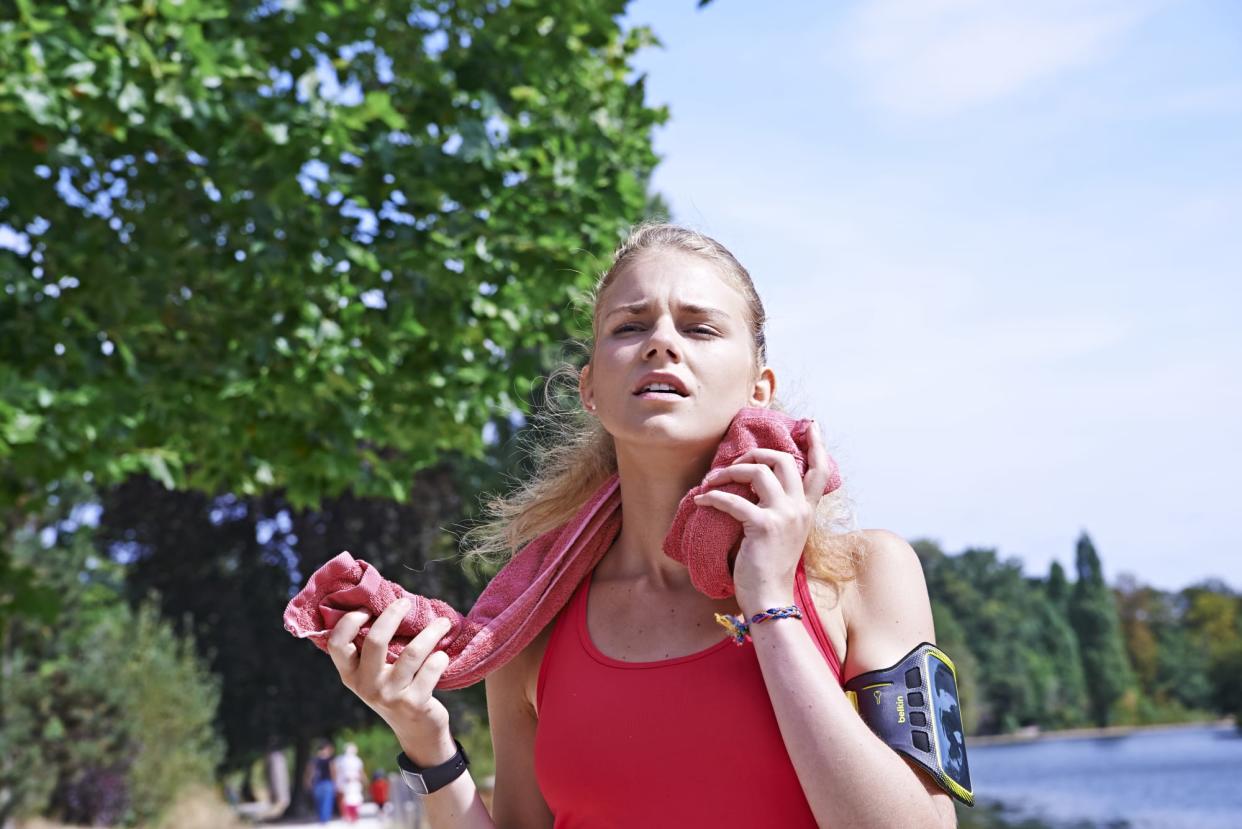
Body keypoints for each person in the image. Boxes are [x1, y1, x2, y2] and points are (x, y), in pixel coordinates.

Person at [325, 223, 960, 827]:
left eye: (700, 328)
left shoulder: (865, 574)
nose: (662, 342)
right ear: (591, 389)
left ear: (758, 388)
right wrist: (429, 746)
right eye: (630, 326)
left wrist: (770, 605)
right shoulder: (527, 626)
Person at [304, 740, 336, 824]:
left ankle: (322, 818)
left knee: (319, 801)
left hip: (318, 783)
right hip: (326, 782)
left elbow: (310, 771)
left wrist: (308, 781)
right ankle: (324, 819)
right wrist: (334, 782)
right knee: (326, 801)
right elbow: (332, 771)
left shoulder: (314, 759)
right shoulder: (329, 759)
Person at [334, 742, 366, 823]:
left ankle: (353, 815)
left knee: (356, 799)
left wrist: (364, 780)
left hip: (354, 782)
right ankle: (347, 815)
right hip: (346, 782)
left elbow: (360, 772)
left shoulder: (357, 760)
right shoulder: (342, 760)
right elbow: (339, 772)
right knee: (347, 800)